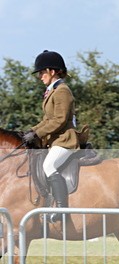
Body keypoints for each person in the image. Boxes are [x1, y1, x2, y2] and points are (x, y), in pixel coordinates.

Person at [23, 50, 89, 224]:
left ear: (52, 71)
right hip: (55, 140)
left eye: (42, 72)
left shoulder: (62, 91)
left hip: (65, 140)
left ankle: (61, 209)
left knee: (49, 165)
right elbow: (47, 119)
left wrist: (37, 134)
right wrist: (30, 132)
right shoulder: (52, 90)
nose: (40, 76)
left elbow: (59, 120)